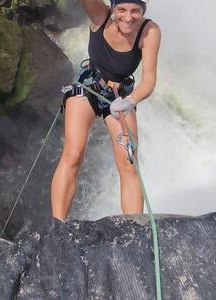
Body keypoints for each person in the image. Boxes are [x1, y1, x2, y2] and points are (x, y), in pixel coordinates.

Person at [51, 0, 161, 220]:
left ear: (143, 11)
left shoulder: (150, 31)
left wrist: (130, 100)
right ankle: (58, 224)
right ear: (113, 8)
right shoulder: (99, 16)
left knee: (129, 163)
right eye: (121, 10)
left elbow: (149, 80)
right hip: (88, 85)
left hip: (122, 95)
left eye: (135, 11)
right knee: (73, 153)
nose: (128, 18)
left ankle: (134, 228)